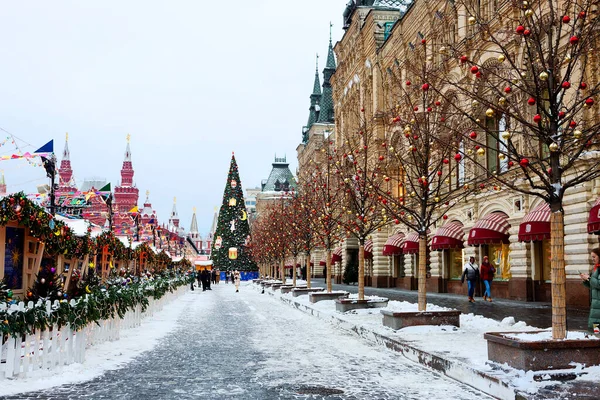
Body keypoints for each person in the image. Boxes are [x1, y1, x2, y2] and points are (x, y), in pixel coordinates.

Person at [581, 248, 600, 332]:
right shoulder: (596, 268)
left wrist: (589, 278)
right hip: (596, 304)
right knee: (596, 327)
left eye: (594, 257)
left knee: (597, 324)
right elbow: (593, 285)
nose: (592, 259)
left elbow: (599, 284)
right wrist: (586, 280)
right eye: (591, 257)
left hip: (598, 303)